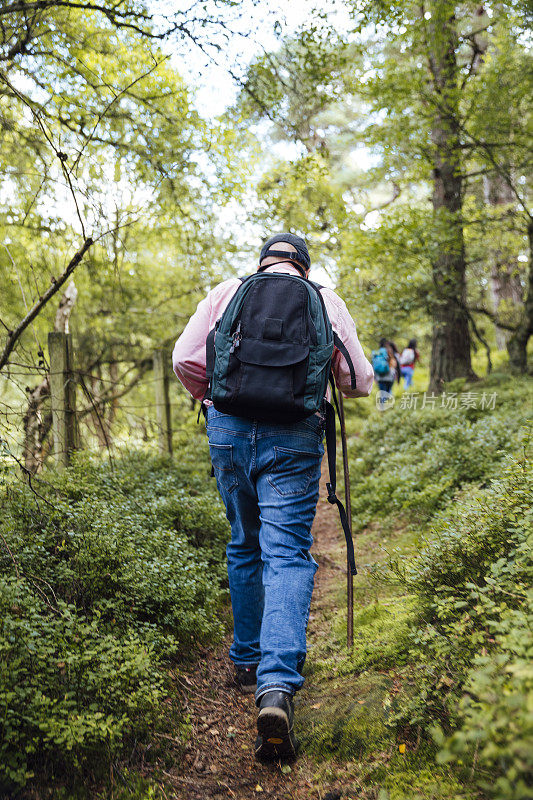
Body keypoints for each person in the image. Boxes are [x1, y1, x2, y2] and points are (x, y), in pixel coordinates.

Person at [172, 233, 373, 761]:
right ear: (303, 266)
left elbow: (185, 360)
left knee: (244, 541)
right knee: (284, 554)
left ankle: (244, 659)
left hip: (228, 432)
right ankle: (276, 685)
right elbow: (360, 380)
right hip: (294, 435)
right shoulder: (324, 299)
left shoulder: (225, 292)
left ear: (262, 261)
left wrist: (214, 398)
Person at [372, 338, 397, 403]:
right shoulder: (388, 351)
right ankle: (389, 406)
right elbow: (393, 363)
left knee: (382, 393)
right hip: (389, 376)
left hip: (380, 377)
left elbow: (373, 365)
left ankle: (382, 407)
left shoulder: (376, 352)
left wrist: (374, 377)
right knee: (388, 392)